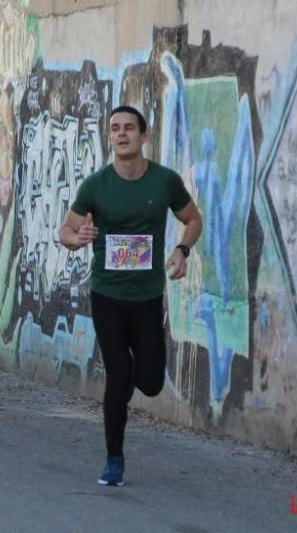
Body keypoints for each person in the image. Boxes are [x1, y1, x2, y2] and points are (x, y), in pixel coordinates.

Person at [59, 105, 203, 487]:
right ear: (110, 137)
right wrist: (80, 239)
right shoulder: (95, 185)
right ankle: (114, 459)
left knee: (152, 382)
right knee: (118, 376)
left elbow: (193, 219)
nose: (121, 134)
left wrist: (182, 250)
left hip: (147, 296)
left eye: (128, 128)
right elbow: (66, 232)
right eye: (115, 129)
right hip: (107, 293)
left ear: (143, 136)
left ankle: (137, 373)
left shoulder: (164, 182)